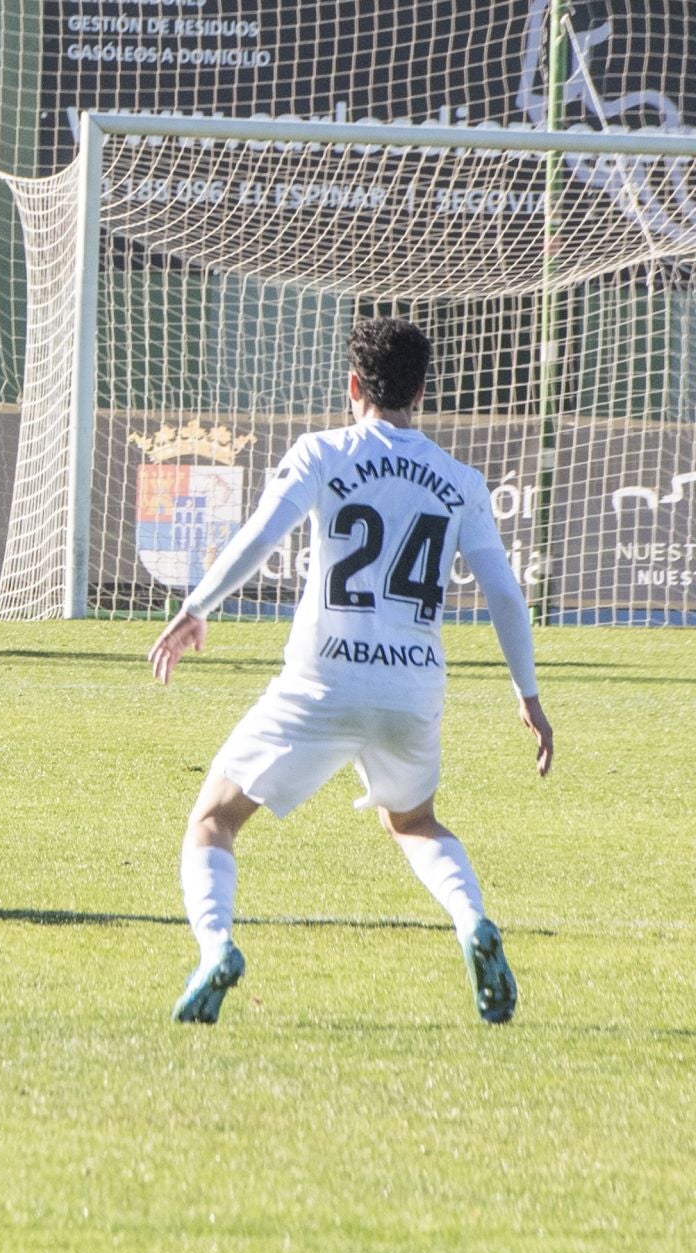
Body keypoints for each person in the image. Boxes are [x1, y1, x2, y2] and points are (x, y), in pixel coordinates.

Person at [146, 317, 554, 1026]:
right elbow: (505, 592)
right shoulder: (460, 480)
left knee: (213, 818)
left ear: (353, 385)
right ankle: (472, 923)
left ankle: (216, 948)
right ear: (422, 391)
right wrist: (528, 692)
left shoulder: (323, 452)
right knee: (416, 821)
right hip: (412, 688)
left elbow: (259, 535)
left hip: (321, 681)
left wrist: (197, 608)